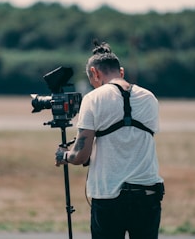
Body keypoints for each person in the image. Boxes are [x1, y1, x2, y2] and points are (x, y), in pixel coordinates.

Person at [55, 41, 165, 239]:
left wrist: (64, 155)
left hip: (110, 196)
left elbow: (80, 156)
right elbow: (132, 141)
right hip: (148, 193)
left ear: (94, 73)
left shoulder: (93, 98)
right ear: (121, 71)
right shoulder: (150, 97)